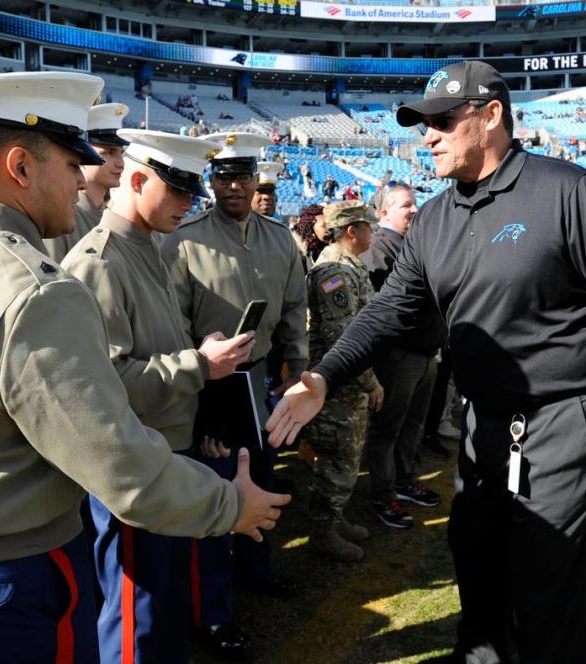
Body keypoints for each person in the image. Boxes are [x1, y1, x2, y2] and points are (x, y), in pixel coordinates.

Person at [0, 71, 288, 664]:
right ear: (20, 166)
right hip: (4, 576)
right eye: (72, 164)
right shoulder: (35, 292)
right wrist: (230, 505)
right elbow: (121, 467)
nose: (85, 181)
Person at [266, 61, 586, 664]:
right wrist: (323, 377)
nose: (427, 135)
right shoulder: (433, 218)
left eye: (441, 121)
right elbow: (387, 315)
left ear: (490, 117)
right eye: (422, 124)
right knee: (481, 589)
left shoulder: (571, 193)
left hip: (569, 425)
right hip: (485, 430)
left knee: (554, 601)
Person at [63, 129, 266, 663]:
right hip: (137, 464)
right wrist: (200, 363)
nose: (189, 203)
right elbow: (102, 387)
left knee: (165, 607)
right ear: (135, 179)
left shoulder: (146, 245)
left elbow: (158, 348)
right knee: (138, 616)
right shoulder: (99, 261)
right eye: (178, 191)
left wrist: (200, 375)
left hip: (170, 450)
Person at [161, 131, 307, 659]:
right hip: (210, 384)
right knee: (217, 491)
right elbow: (175, 327)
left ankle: (256, 570)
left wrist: (300, 372)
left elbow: (294, 310)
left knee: (261, 476)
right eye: (223, 176)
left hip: (263, 376)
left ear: (256, 179)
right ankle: (214, 613)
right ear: (211, 181)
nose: (234, 186)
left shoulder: (279, 238)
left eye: (242, 176)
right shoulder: (184, 239)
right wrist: (197, 405)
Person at [359, 182, 443, 529]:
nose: (413, 210)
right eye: (406, 205)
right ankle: (383, 494)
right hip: (399, 357)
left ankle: (405, 480)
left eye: (414, 203)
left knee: (412, 425)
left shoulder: (410, 242)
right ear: (384, 212)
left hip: (423, 354)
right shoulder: (380, 248)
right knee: (387, 430)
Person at [304, 201, 382, 562]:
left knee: (347, 461)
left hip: (348, 388)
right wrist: (371, 383)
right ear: (353, 230)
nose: (373, 232)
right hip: (339, 389)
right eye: (369, 226)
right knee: (336, 464)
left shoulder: (350, 266)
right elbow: (343, 339)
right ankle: (322, 532)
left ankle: (335, 520)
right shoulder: (333, 271)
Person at [43, 102, 129, 262]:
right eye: (109, 152)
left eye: (120, 153)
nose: (120, 163)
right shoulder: (60, 218)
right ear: (82, 154)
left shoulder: (112, 217)